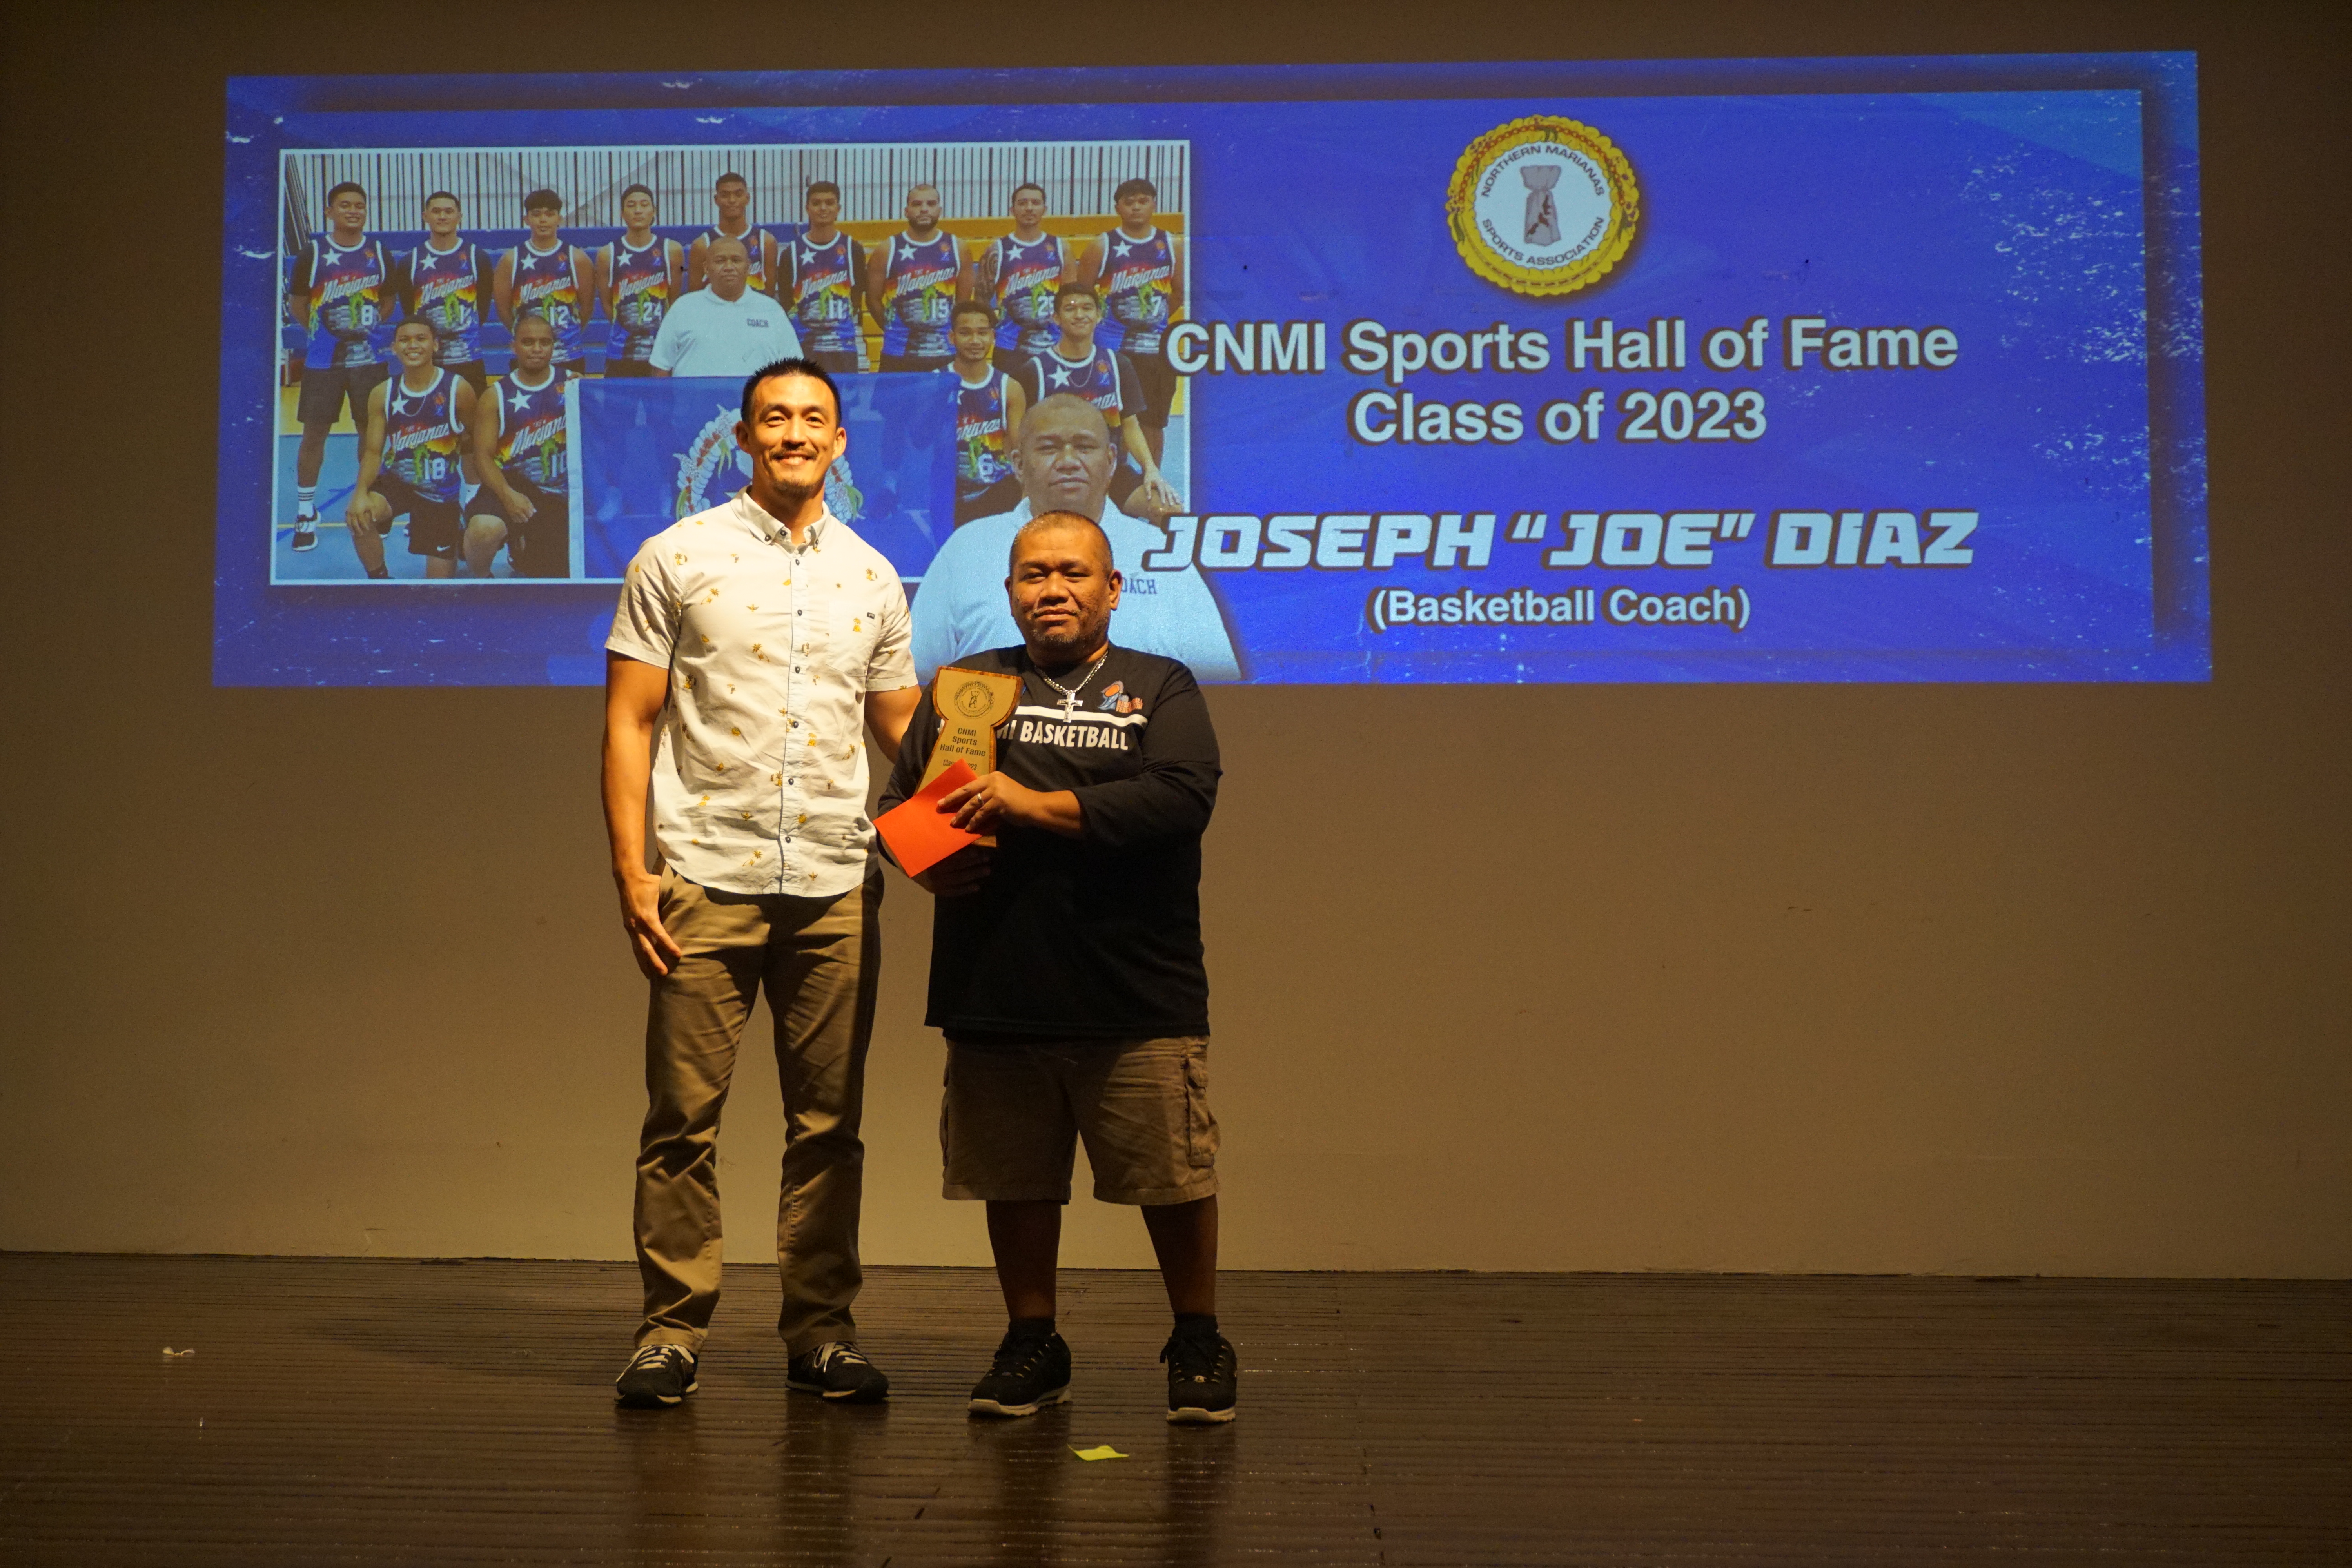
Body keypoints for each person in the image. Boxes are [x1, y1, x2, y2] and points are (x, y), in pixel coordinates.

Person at [602, 356, 922, 1411]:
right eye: (775, 417)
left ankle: (821, 1334)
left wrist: (993, 780)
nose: (795, 432)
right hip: (703, 873)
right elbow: (631, 721)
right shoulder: (676, 556)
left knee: (828, 1125)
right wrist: (630, 865)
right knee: (681, 1121)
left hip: (835, 878)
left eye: (814, 418)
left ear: (841, 442)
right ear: (744, 438)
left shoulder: (874, 575)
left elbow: (900, 728)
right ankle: (669, 1333)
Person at [877, 509, 1236, 1426]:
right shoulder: (967, 686)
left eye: (1073, 573)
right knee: (1018, 1179)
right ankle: (1032, 1338)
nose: (1053, 590)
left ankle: (1197, 1333)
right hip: (995, 983)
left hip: (1137, 987)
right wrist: (926, 857)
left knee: (1175, 1175)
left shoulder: (1161, 684)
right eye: (1033, 575)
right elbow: (900, 810)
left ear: (1111, 589)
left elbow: (1179, 799)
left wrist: (1031, 806)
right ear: (1009, 593)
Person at [909, 392, 1238, 682]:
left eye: (1084, 446)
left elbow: (1222, 689)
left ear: (1111, 461)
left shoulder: (1159, 553)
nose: (1068, 462)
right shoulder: (967, 549)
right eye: (1049, 448)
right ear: (1020, 465)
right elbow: (914, 681)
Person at [286, 180, 392, 549]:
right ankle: (305, 511)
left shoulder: (378, 250)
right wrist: (324, 334)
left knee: (371, 432)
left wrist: (366, 331)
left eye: (359, 205)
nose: (353, 211)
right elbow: (298, 305)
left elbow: (388, 299)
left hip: (370, 361)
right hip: (322, 362)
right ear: (329, 212)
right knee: (315, 434)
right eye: (344, 205)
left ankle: (369, 501)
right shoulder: (312, 253)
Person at [1017, 283, 1176, 520]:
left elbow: (1131, 427)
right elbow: (1024, 436)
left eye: (1087, 308)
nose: (1080, 315)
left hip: (1110, 472)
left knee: (1171, 511)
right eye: (1070, 309)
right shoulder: (1035, 371)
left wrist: (1151, 470)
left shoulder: (1119, 365)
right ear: (1056, 318)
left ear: (1099, 316)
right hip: (1059, 475)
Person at [345, 316, 476, 579]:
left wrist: (474, 494)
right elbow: (372, 451)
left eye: (421, 339)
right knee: (361, 516)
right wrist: (360, 493)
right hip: (398, 483)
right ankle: (380, 578)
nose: (412, 346)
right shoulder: (383, 393)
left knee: (437, 588)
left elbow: (476, 441)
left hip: (440, 492)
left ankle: (457, 523)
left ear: (436, 345)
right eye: (404, 340)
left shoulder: (457, 388)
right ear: (394, 347)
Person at [1076, 178, 1186, 467]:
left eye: (1143, 201)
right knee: (1112, 422)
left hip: (1155, 351)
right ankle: (1115, 486)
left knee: (1154, 423)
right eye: (1129, 202)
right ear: (1118, 207)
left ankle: (1154, 489)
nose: (1136, 207)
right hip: (1111, 349)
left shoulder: (1173, 245)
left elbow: (1179, 294)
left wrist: (1151, 319)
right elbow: (1082, 296)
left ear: (1154, 204)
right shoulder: (1102, 245)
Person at [466, 311, 570, 577]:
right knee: (483, 530)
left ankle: (521, 544)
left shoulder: (573, 384)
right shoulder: (495, 396)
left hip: (558, 494)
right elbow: (482, 458)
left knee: (549, 576)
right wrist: (507, 495)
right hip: (513, 485)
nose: (537, 349)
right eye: (528, 342)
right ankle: (481, 584)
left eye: (544, 342)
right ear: (513, 347)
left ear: (553, 346)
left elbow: (597, 442)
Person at [648, 236, 803, 377]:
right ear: (706, 268)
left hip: (753, 408)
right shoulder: (683, 308)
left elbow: (795, 370)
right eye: (720, 261)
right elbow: (661, 368)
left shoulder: (771, 310)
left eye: (736, 260)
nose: (729, 267)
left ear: (748, 267)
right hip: (696, 408)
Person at [397, 191, 494, 396]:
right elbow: (410, 313)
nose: (442, 217)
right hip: (429, 361)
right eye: (436, 211)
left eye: (449, 212)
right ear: (425, 216)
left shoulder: (477, 257)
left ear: (459, 217)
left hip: (468, 358)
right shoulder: (410, 261)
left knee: (473, 423)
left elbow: (482, 309)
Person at [969, 181, 1069, 374]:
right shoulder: (997, 251)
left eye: (1035, 203)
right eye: (1023, 203)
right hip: (1011, 347)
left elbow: (1072, 299)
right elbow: (981, 304)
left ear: (1044, 209)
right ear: (1012, 210)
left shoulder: (1061, 248)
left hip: (1055, 346)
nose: (1029, 208)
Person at [867, 183, 964, 372]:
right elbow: (873, 301)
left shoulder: (958, 247)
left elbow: (962, 303)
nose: (924, 209)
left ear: (940, 210)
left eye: (931, 204)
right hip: (898, 354)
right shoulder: (887, 249)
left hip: (944, 353)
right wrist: (895, 330)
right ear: (907, 211)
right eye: (917, 204)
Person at [494, 189, 595, 372]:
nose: (543, 220)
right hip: (526, 358)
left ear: (559, 219)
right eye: (537, 214)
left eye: (550, 214)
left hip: (568, 355)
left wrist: (568, 335)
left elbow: (587, 307)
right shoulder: (511, 260)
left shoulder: (577, 258)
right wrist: (524, 337)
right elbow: (503, 308)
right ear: (527, 219)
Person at [779, 181, 867, 376]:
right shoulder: (791, 253)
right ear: (807, 208)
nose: (824, 208)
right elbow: (786, 301)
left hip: (843, 350)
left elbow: (858, 294)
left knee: (844, 406)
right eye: (817, 203)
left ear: (839, 209)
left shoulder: (853, 249)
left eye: (830, 203)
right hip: (805, 350)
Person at [950, 299, 1025, 524]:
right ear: (952, 338)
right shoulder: (937, 385)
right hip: (950, 495)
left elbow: (1019, 450)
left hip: (996, 494)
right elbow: (920, 444)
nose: (975, 341)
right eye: (966, 333)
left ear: (993, 337)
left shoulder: (1009, 388)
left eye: (982, 333)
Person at [600, 184, 685, 379]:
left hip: (659, 353)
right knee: (619, 410)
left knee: (660, 410)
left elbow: (673, 300)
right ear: (622, 213)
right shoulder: (608, 253)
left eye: (644, 205)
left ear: (653, 211)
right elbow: (607, 303)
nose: (638, 211)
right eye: (631, 206)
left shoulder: (671, 250)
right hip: (620, 353)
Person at [685, 171, 777, 298]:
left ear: (748, 198)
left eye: (738, 195)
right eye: (725, 195)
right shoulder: (702, 245)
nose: (732, 200)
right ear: (716, 200)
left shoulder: (766, 241)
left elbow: (770, 295)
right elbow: (695, 297)